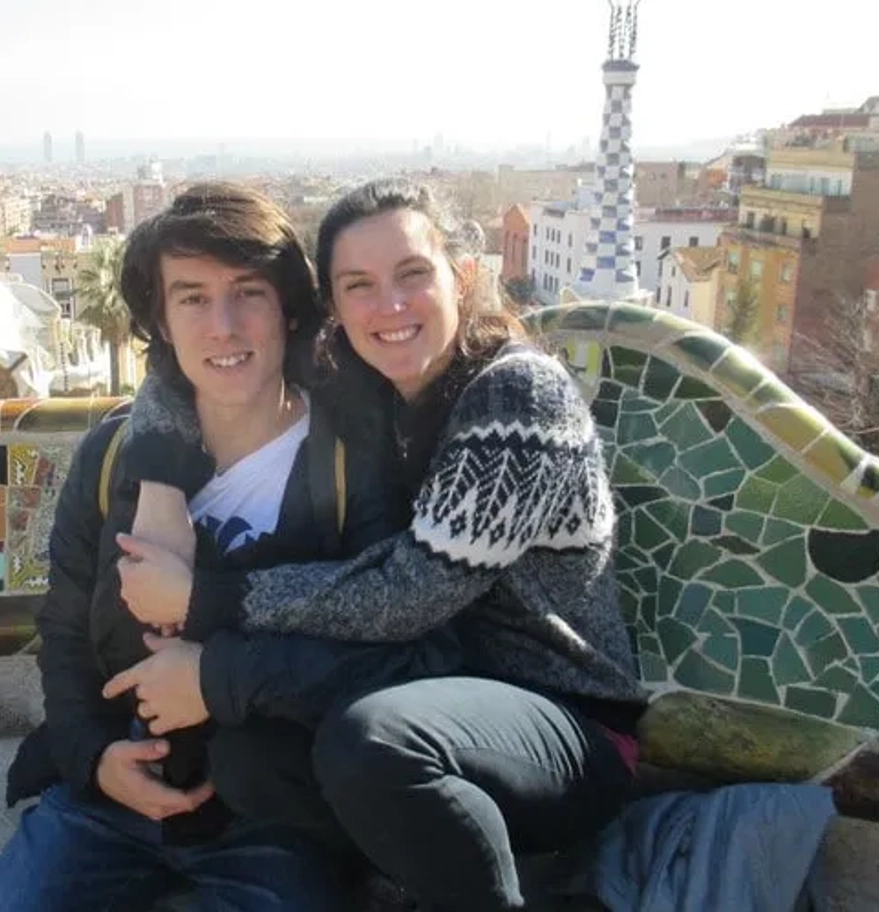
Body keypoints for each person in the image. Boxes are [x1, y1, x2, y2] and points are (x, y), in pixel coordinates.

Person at [109, 178, 648, 912]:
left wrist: (207, 602)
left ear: (462, 277)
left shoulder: (515, 398)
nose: (388, 308)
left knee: (372, 742)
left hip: (567, 725)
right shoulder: (363, 380)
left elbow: (408, 594)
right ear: (332, 308)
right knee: (253, 761)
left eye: (412, 276)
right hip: (435, 693)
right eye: (358, 285)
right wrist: (162, 487)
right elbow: (187, 361)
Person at [0, 183, 458, 912]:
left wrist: (220, 675)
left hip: (273, 817)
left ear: (287, 306)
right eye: (192, 298)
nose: (224, 326)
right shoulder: (113, 454)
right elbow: (67, 629)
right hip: (105, 806)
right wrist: (95, 759)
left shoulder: (349, 460)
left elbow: (387, 654)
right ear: (162, 321)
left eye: (248, 293)